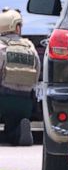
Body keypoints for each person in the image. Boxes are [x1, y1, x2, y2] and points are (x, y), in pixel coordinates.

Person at [0, 8, 39, 146]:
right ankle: (18, 130)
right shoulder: (30, 47)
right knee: (14, 126)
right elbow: (37, 74)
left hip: (3, 100)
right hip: (25, 103)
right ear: (16, 27)